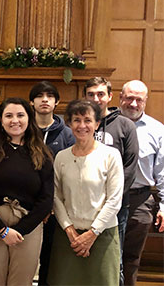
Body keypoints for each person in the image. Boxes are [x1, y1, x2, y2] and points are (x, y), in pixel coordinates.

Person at [0, 97, 54, 286]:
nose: (14, 120)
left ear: (29, 118)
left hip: (28, 225)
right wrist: (1, 230)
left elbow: (47, 198)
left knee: (21, 280)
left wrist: (19, 230)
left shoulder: (42, 152)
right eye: (8, 115)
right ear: (0, 120)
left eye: (20, 115)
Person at [48, 100, 124, 285]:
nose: (82, 126)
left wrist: (92, 233)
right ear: (69, 123)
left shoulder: (110, 155)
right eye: (76, 120)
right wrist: (69, 229)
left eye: (88, 120)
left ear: (97, 124)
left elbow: (114, 200)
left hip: (102, 235)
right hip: (68, 237)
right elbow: (56, 196)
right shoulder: (61, 157)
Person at [83, 77, 138, 285]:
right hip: (82, 206)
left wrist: (109, 200)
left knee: (113, 259)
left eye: (100, 94)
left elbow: (129, 169)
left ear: (110, 96)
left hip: (115, 207)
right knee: (84, 257)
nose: (96, 99)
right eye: (91, 94)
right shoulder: (81, 123)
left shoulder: (125, 125)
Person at [28, 81, 74, 285]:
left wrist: (54, 206)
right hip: (25, 205)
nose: (44, 100)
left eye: (49, 96)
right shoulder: (23, 130)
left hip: (54, 209)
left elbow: (72, 172)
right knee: (24, 261)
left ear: (56, 102)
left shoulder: (67, 134)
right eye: (39, 96)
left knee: (49, 259)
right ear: (32, 102)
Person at [119, 80, 164, 286]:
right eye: (129, 98)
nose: (134, 104)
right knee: (105, 254)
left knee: (131, 258)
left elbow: (162, 171)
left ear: (146, 101)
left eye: (139, 99)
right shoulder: (107, 124)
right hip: (106, 199)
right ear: (120, 98)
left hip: (140, 199)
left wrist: (163, 205)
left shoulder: (157, 130)